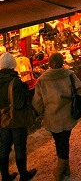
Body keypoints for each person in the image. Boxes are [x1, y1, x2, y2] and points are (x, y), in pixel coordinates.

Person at [32, 52, 81, 181]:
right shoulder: (69, 75)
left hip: (52, 116)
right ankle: (64, 168)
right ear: (62, 61)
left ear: (49, 63)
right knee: (64, 140)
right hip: (67, 114)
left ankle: (60, 170)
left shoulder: (42, 79)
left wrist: (43, 112)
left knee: (59, 141)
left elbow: (37, 102)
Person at [0, 52, 37, 181]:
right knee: (19, 146)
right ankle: (23, 174)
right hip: (16, 120)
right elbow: (20, 104)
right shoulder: (14, 81)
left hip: (3, 120)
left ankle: (5, 176)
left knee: (4, 147)